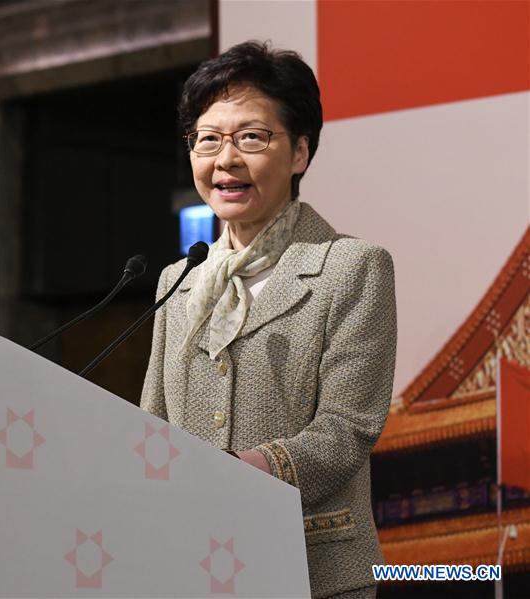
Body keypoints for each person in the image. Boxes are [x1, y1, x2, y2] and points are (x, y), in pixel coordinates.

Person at [140, 40, 396, 599]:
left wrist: (242, 471)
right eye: (208, 139)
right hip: (191, 567)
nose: (224, 160)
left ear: (299, 153)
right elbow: (152, 426)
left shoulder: (351, 268)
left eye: (251, 138)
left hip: (311, 570)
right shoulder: (177, 282)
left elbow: (347, 430)